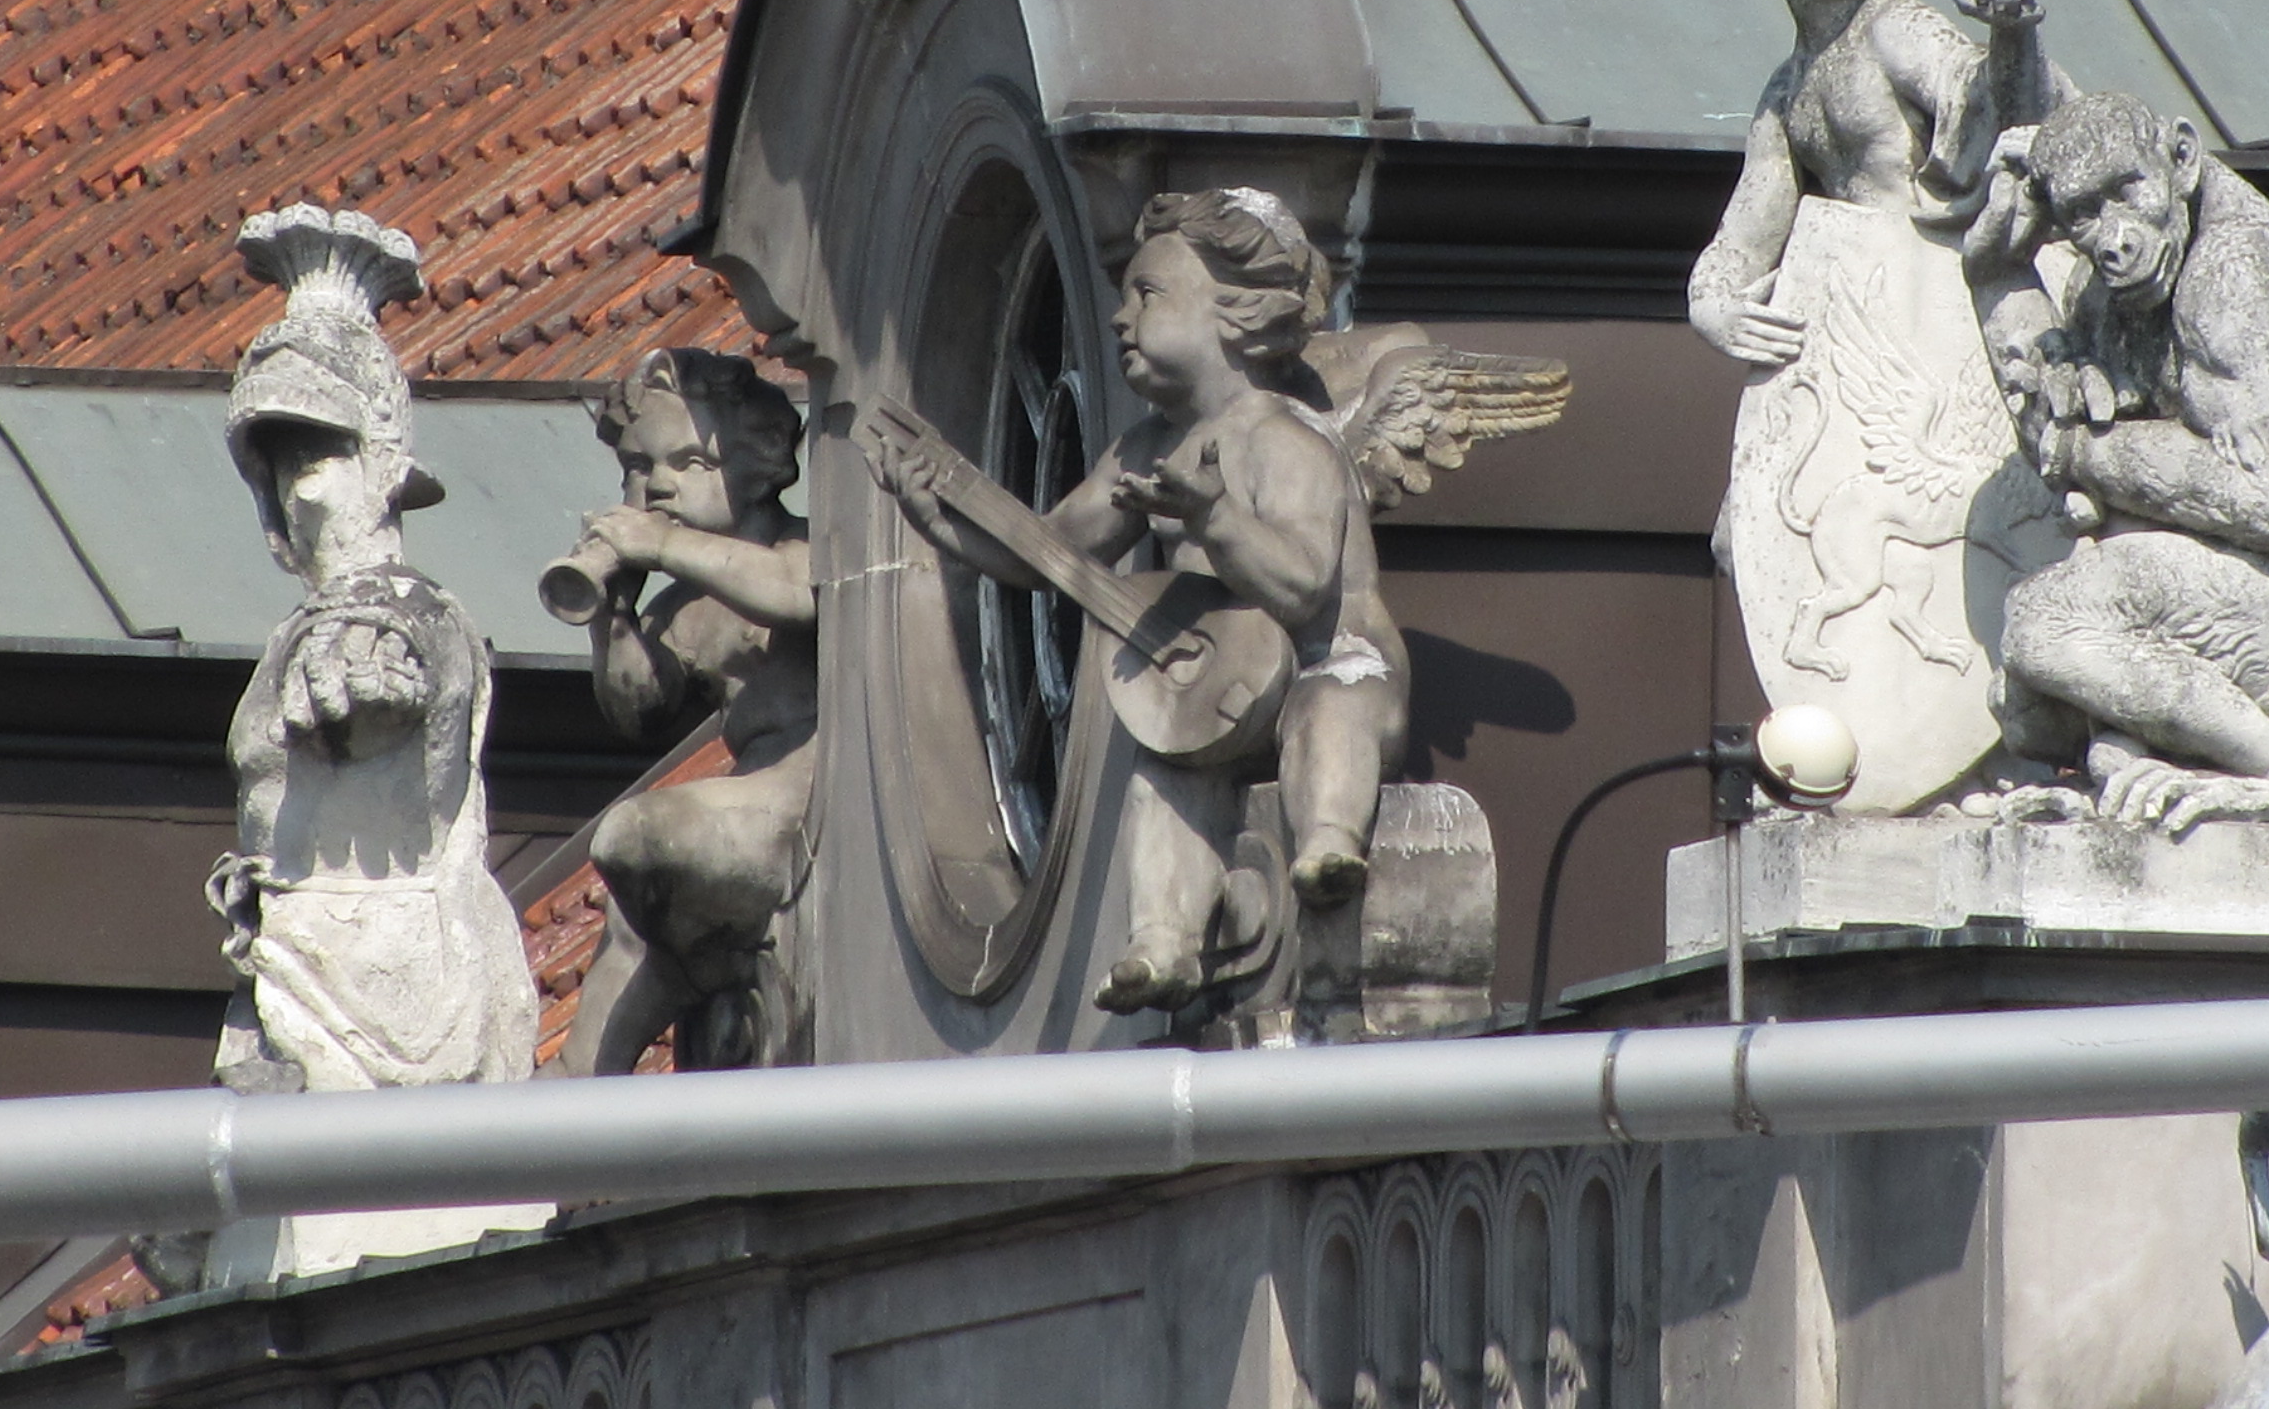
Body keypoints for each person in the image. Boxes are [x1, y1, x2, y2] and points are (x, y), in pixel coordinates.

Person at [871, 188, 1399, 1014]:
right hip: (1223, 694)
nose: (1121, 318)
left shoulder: (1283, 438)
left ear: (1235, 313)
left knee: (1333, 710)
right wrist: (942, 517)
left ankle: (1330, 842)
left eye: (1147, 294)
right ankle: (1162, 943)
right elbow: (1050, 553)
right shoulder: (1145, 449)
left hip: (1328, 660)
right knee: (1165, 775)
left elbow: (1301, 587)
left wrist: (1217, 519)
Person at [1686, 0, 2071, 810]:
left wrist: (2011, 36)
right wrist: (1716, 309)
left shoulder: (1894, 30)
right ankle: (1885, 747)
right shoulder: (1791, 92)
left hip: (1955, 335)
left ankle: (1991, 745)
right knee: (1747, 533)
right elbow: (1739, 246)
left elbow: (1997, 110)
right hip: (1872, 364)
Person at [1968, 93, 2269, 834]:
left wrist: (2093, 451)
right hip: (2212, 588)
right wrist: (1993, 270)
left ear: (2181, 160)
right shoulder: (2120, 278)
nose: (2114, 238)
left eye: (2127, 194)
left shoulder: (2229, 269)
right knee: (2024, 708)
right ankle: (2136, 759)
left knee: (2047, 625)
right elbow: (2054, 439)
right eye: (2084, 214)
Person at [210, 205, 536, 1096]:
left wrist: (360, 660)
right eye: (277, 454)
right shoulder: (309, 626)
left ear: (383, 458)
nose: (295, 481)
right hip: (294, 980)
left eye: (318, 448)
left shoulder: (398, 612)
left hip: (382, 1008)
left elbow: (388, 659)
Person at [552, 348, 818, 1076]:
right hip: (750, 788)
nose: (657, 485)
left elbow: (798, 596)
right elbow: (638, 710)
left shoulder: (801, 549)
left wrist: (667, 545)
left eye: (690, 462)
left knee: (638, 838)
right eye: (639, 468)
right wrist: (612, 614)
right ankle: (577, 1084)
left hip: (815, 786)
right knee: (631, 921)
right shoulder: (681, 602)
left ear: (760, 464)